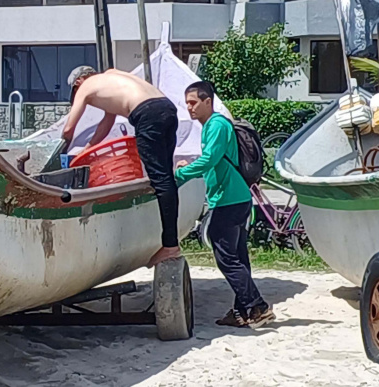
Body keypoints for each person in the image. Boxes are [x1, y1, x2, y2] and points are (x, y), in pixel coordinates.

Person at [175, 81, 275, 328]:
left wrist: (180, 175)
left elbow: (210, 160)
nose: (189, 108)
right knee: (238, 256)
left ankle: (258, 306)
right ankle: (242, 312)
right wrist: (191, 163)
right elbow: (213, 158)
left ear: (208, 101)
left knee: (226, 258)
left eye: (193, 102)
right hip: (235, 197)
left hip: (229, 199)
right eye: (187, 103)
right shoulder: (212, 126)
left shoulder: (217, 124)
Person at [62, 65, 182, 268]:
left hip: (146, 114)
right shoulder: (112, 76)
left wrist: (64, 148)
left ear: (78, 83)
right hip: (167, 109)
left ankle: (170, 246)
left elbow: (68, 128)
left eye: (74, 91)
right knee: (166, 178)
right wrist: (87, 149)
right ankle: (171, 240)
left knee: (161, 181)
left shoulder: (85, 86)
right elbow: (106, 124)